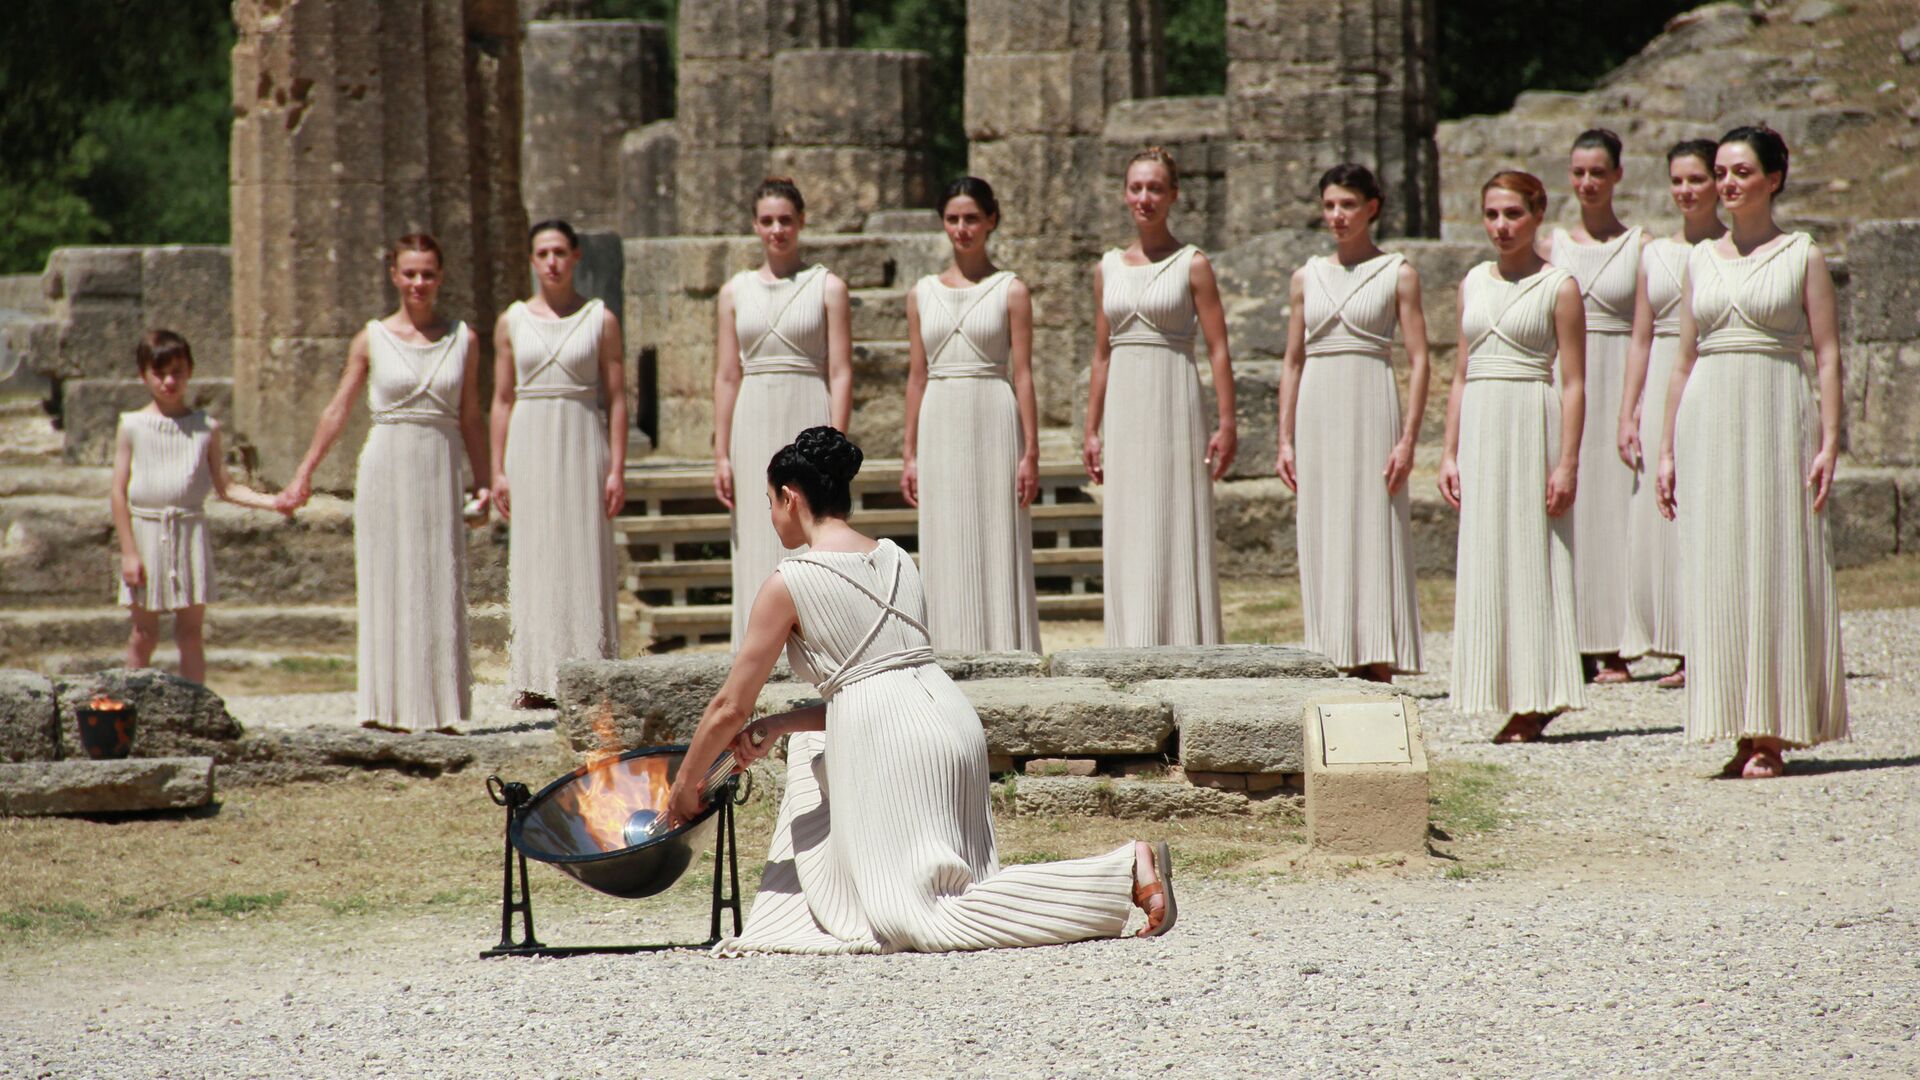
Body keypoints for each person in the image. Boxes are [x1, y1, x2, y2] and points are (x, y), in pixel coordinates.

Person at [667, 426, 1176, 953]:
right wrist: (778, 724)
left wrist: (686, 783)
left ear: (790, 498)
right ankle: (1115, 875)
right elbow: (874, 683)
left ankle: (1122, 870)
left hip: (893, 745)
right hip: (952, 726)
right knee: (952, 890)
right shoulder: (896, 558)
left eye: (770, 502)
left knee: (925, 920)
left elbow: (730, 706)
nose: (772, 516)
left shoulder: (789, 582)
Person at [1656, 125, 1847, 779]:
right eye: (1721, 172)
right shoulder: (1700, 260)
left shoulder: (1802, 255)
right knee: (1720, 566)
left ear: (1773, 179)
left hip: (1776, 413)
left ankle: (1771, 731)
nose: (1727, 183)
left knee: (1775, 560)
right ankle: (1737, 720)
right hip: (1709, 417)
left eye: (1741, 172)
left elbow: (1827, 355)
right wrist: (1666, 450)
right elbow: (1682, 361)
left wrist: (1829, 439)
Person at [276, 233, 491, 733]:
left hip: (439, 463)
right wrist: (303, 475)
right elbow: (337, 410)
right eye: (409, 273)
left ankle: (439, 710)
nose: (419, 283)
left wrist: (484, 481)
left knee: (438, 578)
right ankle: (385, 706)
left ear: (441, 277)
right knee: (387, 579)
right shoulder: (371, 338)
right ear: (394, 276)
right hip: (386, 465)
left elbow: (470, 416)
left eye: (428, 274)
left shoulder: (463, 339)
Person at [1439, 172, 1588, 743]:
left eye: (1513, 214)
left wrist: (1567, 463)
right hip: (1482, 423)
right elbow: (1460, 373)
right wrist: (1449, 451)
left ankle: (1539, 694)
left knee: (1534, 550)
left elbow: (1574, 382)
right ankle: (1502, 685)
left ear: (1537, 215)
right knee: (1490, 552)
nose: (1501, 226)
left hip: (1532, 418)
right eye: (1492, 214)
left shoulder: (1560, 286)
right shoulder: (1473, 281)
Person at [1276, 164, 1430, 682]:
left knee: (1373, 521)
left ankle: (1377, 656)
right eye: (1329, 206)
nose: (1337, 215)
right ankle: (1330, 649)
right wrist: (1284, 439)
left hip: (1371, 404)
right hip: (1318, 410)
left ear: (1372, 208)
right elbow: (1292, 361)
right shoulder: (1306, 277)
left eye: (1347, 205)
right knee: (1323, 523)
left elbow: (1420, 359)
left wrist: (1408, 440)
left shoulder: (1397, 273)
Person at [1084, 147, 1235, 647]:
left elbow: (1218, 348)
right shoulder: (1107, 267)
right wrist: (1091, 429)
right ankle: (1130, 641)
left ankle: (1185, 640)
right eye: (1136, 188)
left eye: (1154, 188)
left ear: (1173, 195)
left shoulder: (1193, 264)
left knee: (1174, 513)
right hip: (1125, 407)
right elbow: (1101, 354)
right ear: (1125, 194)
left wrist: (1227, 423)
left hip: (1175, 401)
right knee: (1129, 517)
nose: (1144, 198)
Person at [900, 177, 1042, 652]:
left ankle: (1006, 647)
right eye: (953, 219)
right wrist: (908, 454)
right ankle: (944, 648)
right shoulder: (921, 294)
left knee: (998, 531)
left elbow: (1024, 375)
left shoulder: (1011, 290)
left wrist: (1031, 453)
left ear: (991, 221)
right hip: (940, 419)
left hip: (993, 415)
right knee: (945, 534)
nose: (962, 228)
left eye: (972, 218)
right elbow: (916, 376)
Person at [490, 219, 624, 709]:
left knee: (583, 550)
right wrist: (497, 470)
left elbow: (617, 397)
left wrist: (617, 468)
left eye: (560, 253)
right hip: (529, 443)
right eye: (543, 253)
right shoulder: (511, 321)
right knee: (536, 553)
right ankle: (534, 676)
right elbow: (502, 399)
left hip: (583, 438)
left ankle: (591, 669)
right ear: (532, 260)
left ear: (575, 256)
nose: (552, 262)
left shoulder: (600, 319)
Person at [713, 177, 853, 649]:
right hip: (752, 418)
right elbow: (726, 375)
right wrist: (721, 453)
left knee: (812, 524)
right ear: (755, 225)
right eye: (768, 220)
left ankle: (820, 644)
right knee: (758, 530)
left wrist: (835, 443)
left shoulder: (828, 287)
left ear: (801, 222)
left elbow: (841, 371)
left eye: (786, 220)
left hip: (808, 410)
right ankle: (759, 650)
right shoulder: (734, 292)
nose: (777, 229)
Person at [110, 330, 284, 684]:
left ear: (189, 371)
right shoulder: (132, 425)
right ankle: (129, 705)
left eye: (177, 372)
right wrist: (129, 552)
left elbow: (227, 487)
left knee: (190, 634)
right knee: (144, 633)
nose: (169, 381)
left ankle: (195, 708)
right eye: (159, 373)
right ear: (144, 375)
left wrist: (274, 502)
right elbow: (118, 493)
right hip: (146, 533)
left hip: (188, 532)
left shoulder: (206, 428)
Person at [1539, 129, 1647, 684]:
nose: (1587, 182)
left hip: (1619, 379)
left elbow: (1648, 330)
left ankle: (1619, 644)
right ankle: (1573, 639)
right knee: (1572, 511)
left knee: (1616, 510)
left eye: (1598, 172)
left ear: (1617, 176)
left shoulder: (1641, 246)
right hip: (1569, 381)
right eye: (1579, 172)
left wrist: (1637, 404)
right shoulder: (1551, 246)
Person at [1618, 140, 1725, 688]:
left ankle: (1703, 643)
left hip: (1710, 375)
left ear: (1717, 183)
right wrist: (1628, 410)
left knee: (1706, 506)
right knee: (1660, 515)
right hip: (1663, 374)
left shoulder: (1730, 251)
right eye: (1677, 181)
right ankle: (1672, 638)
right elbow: (1640, 337)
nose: (1686, 190)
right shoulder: (1654, 253)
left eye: (1696, 179)